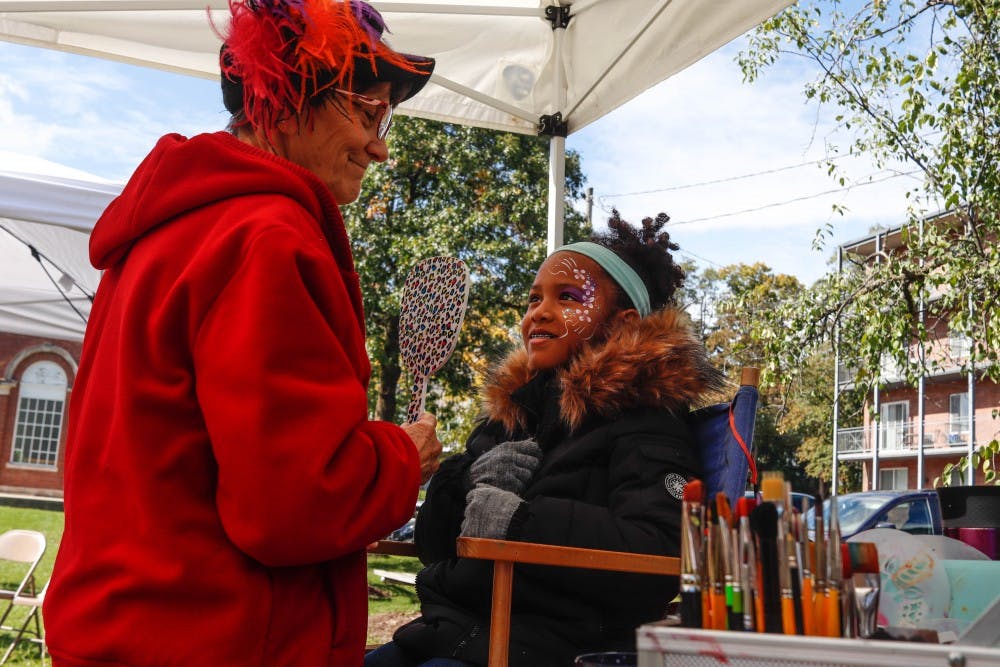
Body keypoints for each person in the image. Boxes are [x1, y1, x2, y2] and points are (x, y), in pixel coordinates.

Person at [43, 1, 441, 665]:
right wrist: (402, 456)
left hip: (121, 629)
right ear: (282, 103)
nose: (380, 144)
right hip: (213, 637)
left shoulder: (167, 232)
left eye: (385, 115)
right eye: (365, 110)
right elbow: (290, 504)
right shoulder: (267, 238)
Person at [366, 212, 727, 667]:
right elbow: (434, 547)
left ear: (622, 324)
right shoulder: (513, 413)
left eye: (567, 296)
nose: (539, 311)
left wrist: (521, 523)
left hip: (557, 649)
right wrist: (464, 483)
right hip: (448, 633)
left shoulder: (647, 418)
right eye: (534, 298)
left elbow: (661, 555)